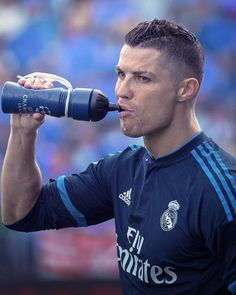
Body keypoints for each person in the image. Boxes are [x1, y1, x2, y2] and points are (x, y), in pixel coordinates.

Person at [1, 19, 236, 295]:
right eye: (121, 74)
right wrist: (22, 131)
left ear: (186, 89)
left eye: (142, 78)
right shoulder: (121, 170)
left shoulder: (222, 190)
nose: (122, 90)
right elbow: (20, 214)